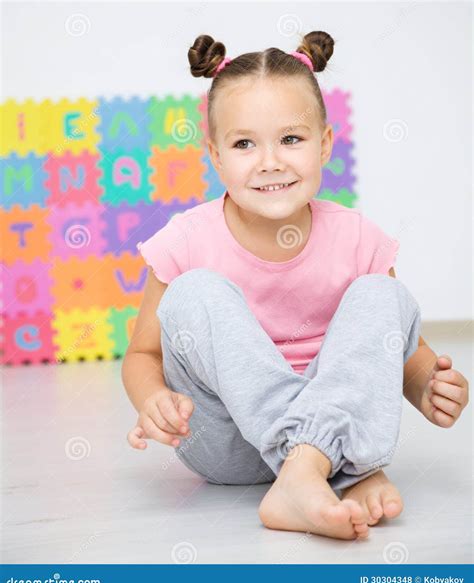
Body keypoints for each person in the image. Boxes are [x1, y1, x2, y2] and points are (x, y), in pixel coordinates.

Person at [122, 31, 470, 541]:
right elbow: (141, 355)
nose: (270, 162)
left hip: (331, 423)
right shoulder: (186, 241)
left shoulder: (356, 239)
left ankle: (305, 475)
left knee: (383, 296)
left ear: (325, 143)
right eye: (244, 144)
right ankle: (342, 470)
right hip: (227, 440)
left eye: (291, 139)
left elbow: (400, 348)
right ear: (215, 156)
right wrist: (152, 398)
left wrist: (424, 385)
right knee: (194, 291)